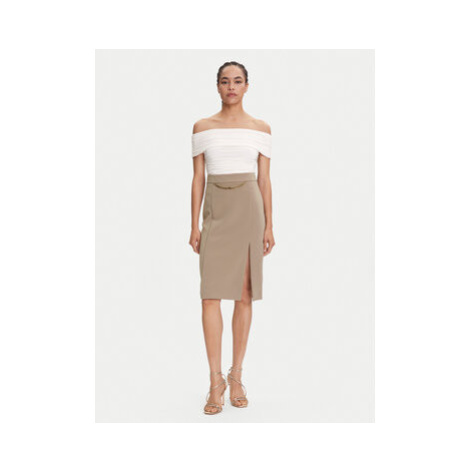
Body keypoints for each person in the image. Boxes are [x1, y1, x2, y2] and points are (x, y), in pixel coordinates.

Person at [189, 61, 275, 415]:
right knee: (210, 295)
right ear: (217, 86)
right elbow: (197, 178)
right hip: (216, 210)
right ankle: (215, 381)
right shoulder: (202, 127)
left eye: (238, 81)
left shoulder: (260, 128)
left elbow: (265, 179)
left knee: (243, 294)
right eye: (225, 81)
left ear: (247, 86)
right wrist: (194, 225)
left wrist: (269, 225)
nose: (231, 87)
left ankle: (236, 375)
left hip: (249, 210)